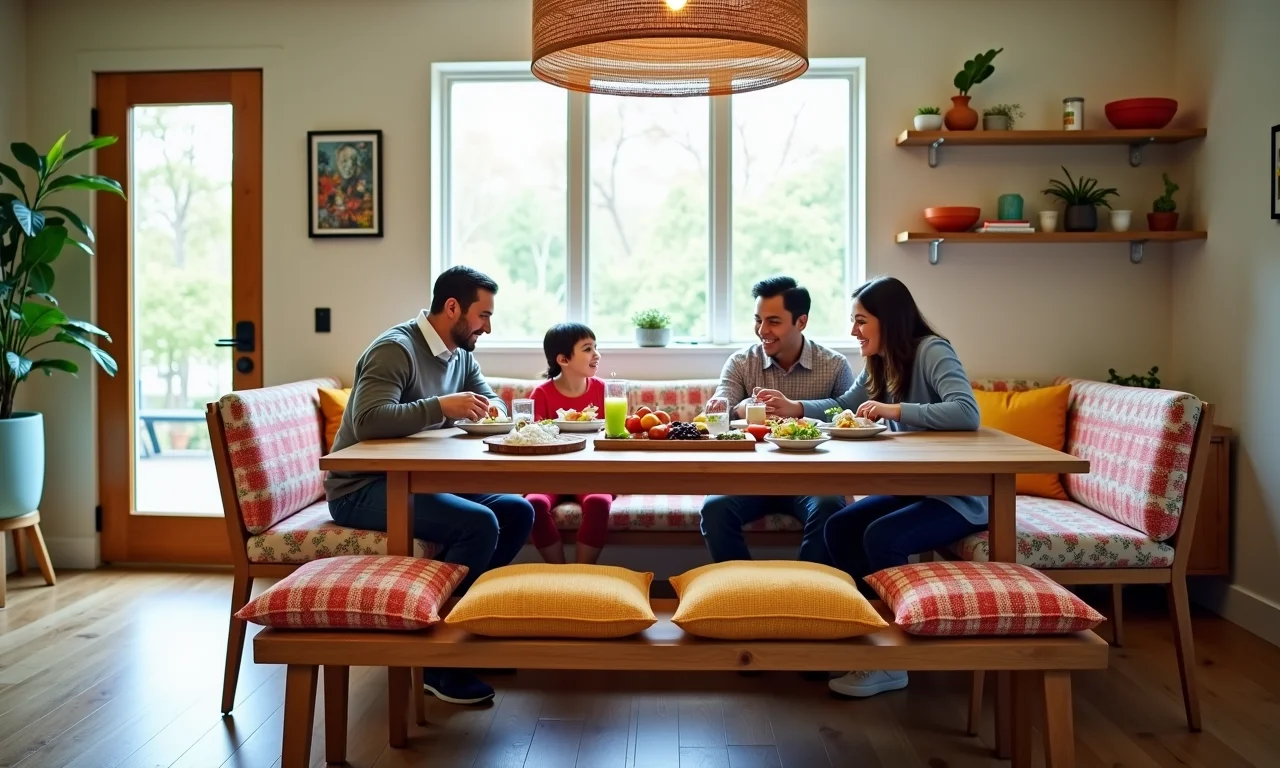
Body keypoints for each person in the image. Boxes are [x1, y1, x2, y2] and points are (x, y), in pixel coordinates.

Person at [756, 275, 984, 699]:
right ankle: (863, 631)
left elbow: (966, 412)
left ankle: (891, 662)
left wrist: (895, 408)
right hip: (913, 489)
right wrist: (797, 408)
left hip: (956, 497)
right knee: (840, 526)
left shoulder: (931, 350)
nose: (853, 331)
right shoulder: (880, 360)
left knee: (881, 535)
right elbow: (845, 403)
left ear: (889, 320)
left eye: (861, 321)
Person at [325, 265, 535, 706]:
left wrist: (491, 410)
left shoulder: (460, 354)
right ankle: (438, 661)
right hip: (362, 489)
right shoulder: (395, 349)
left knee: (517, 510)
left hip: (420, 482)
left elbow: (490, 402)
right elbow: (367, 421)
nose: (488, 327)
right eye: (484, 315)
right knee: (478, 525)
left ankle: (464, 630)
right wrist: (441, 406)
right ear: (453, 307)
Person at [700, 275, 855, 566]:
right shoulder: (741, 362)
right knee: (714, 509)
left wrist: (797, 409)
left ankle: (804, 592)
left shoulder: (833, 365)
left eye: (773, 321)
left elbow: (848, 415)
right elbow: (717, 411)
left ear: (801, 322)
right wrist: (745, 407)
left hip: (813, 479)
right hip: (748, 478)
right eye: (758, 320)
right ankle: (745, 592)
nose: (762, 331)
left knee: (830, 508)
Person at [526, 323, 614, 565]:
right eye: (587, 349)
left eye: (596, 347)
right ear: (563, 359)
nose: (596, 354)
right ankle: (559, 571)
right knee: (533, 503)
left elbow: (614, 433)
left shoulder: (604, 390)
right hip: (550, 474)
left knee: (598, 501)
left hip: (591, 472)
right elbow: (533, 439)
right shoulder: (542, 394)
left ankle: (581, 573)